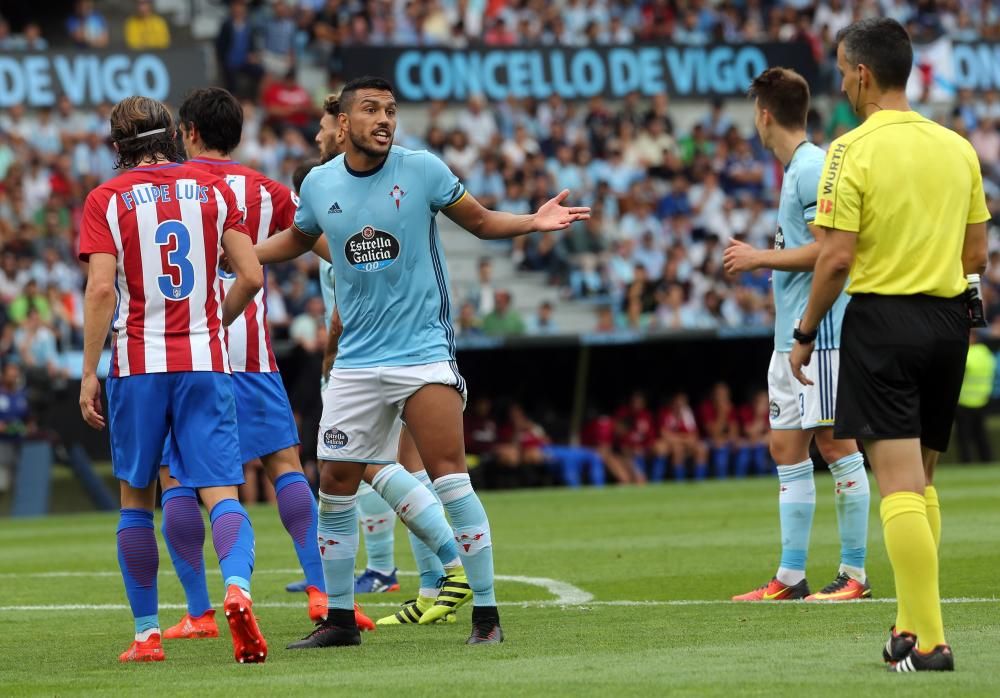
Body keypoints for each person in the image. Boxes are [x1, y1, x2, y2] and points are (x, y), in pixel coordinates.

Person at [255, 76, 589, 646]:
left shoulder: (422, 169)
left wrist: (534, 221)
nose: (384, 119)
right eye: (370, 109)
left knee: (450, 478)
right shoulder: (317, 184)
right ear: (344, 122)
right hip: (357, 362)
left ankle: (486, 616)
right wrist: (233, 259)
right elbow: (295, 238)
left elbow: (481, 222)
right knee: (335, 485)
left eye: (390, 110)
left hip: (421, 354)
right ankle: (339, 620)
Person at [790, 18, 990, 672]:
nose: (843, 82)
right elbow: (976, 253)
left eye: (845, 71)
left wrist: (803, 331)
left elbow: (836, 257)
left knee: (898, 487)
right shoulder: (956, 146)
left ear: (862, 75)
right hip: (947, 324)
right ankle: (907, 627)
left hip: (884, 325)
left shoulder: (850, 148)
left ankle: (931, 644)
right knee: (924, 482)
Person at [152, 87, 358, 641]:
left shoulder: (160, 192)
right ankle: (322, 595)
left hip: (187, 354)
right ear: (237, 135)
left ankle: (199, 614)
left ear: (187, 131)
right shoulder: (265, 191)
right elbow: (331, 249)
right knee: (286, 468)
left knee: (177, 480)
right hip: (253, 355)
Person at [78, 96, 266, 663]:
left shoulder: (105, 199)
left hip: (137, 366)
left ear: (118, 148)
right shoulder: (210, 193)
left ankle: (146, 635)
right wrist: (215, 322)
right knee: (220, 491)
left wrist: (89, 372)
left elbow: (101, 291)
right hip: (205, 360)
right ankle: (237, 586)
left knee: (137, 499)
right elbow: (252, 275)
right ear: (175, 138)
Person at [284, 103, 475, 631]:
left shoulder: (336, 194)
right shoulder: (335, 187)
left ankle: (442, 567)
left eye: (324, 125)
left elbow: (352, 279)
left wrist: (330, 362)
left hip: (382, 356)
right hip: (376, 354)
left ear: (340, 128)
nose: (320, 133)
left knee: (375, 465)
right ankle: (428, 579)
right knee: (392, 467)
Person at [724, 67, 871, 603]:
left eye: (754, 116)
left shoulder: (811, 167)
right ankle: (790, 577)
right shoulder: (795, 170)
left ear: (765, 115)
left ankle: (854, 573)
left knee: (836, 444)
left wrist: (759, 256)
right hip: (789, 338)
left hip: (823, 335)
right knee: (786, 447)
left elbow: (831, 249)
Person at [954, 331, 996, 463]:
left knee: (964, 437)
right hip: (983, 400)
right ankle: (987, 460)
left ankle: (966, 462)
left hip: (964, 401)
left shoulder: (967, 354)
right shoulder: (985, 353)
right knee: (981, 435)